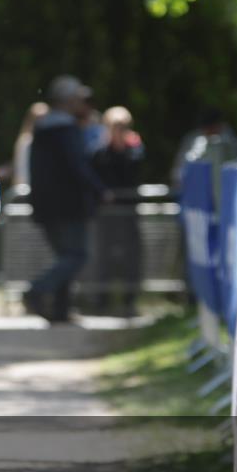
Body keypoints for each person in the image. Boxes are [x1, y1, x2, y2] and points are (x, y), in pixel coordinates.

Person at [23, 75, 109, 323]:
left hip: (45, 205)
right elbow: (78, 166)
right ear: (69, 100)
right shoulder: (67, 129)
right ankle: (37, 290)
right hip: (69, 205)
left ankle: (60, 311)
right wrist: (100, 189)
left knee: (65, 256)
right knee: (76, 255)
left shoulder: (42, 129)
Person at [91, 106, 144, 316]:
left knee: (131, 257)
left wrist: (129, 147)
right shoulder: (98, 152)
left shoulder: (135, 151)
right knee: (104, 256)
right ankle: (102, 301)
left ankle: (129, 301)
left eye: (122, 127)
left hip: (128, 213)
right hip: (105, 216)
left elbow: (135, 171)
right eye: (114, 127)